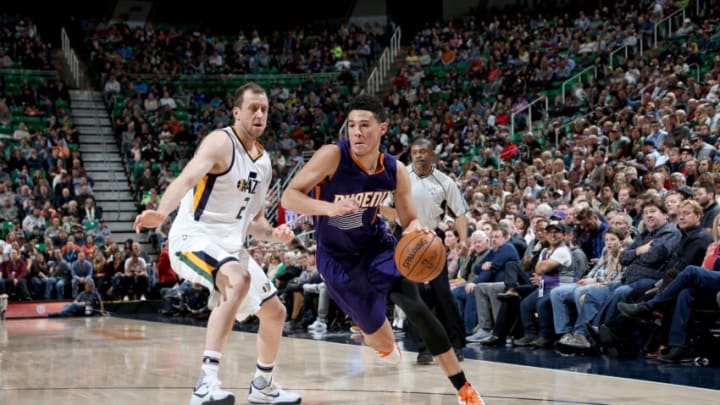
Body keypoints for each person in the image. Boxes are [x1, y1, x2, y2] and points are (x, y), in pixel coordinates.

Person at [281, 94, 485, 405]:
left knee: (416, 306)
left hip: (377, 248)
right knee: (383, 343)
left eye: (365, 125)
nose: (357, 132)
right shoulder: (332, 156)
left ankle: (464, 389)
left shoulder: (394, 170)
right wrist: (327, 208)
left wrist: (418, 229)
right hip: (338, 262)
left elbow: (409, 218)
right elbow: (289, 197)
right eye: (351, 126)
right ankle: (382, 342)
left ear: (383, 128)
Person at [134, 83, 301, 405]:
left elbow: (256, 223)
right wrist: (161, 212)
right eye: (253, 107)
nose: (259, 114)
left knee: (275, 312)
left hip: (232, 246)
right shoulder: (220, 142)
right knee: (237, 278)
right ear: (237, 112)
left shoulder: (264, 162)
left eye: (264, 108)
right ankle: (205, 383)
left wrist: (274, 234)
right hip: (193, 236)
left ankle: (263, 385)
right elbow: (185, 179)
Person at [380, 138, 468, 364]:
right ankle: (424, 348)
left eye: (423, 152)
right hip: (406, 237)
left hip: (431, 239)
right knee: (413, 295)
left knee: (442, 293)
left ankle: (456, 343)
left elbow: (459, 214)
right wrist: (400, 218)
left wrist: (464, 240)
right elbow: (382, 207)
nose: (419, 155)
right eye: (415, 152)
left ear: (432, 155)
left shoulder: (444, 181)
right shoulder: (400, 177)